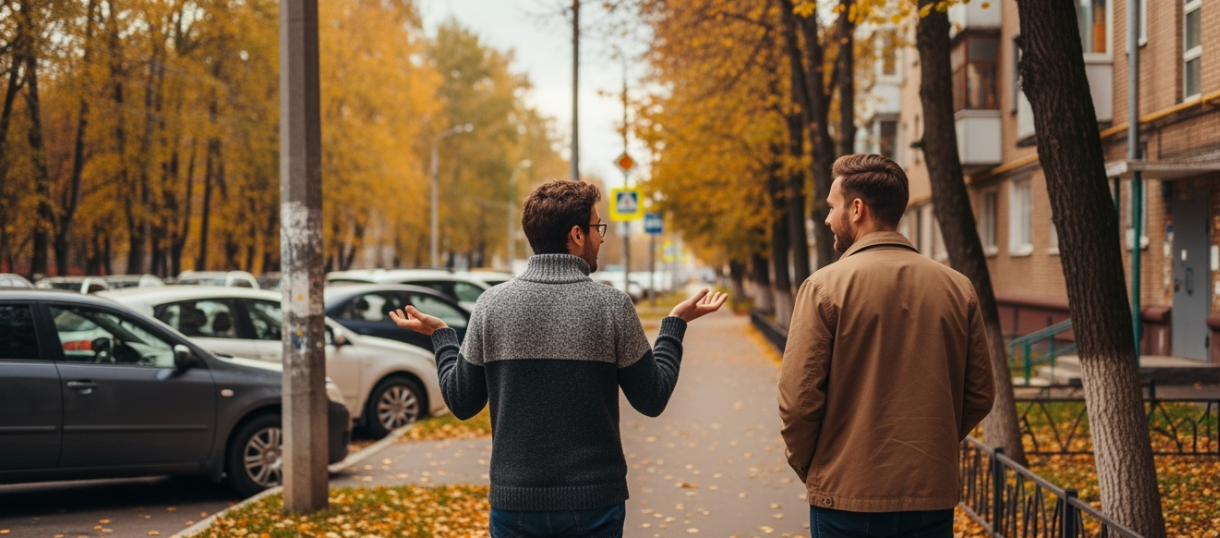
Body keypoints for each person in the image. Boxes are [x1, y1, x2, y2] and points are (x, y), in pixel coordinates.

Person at [391, 179, 727, 538]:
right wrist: (674, 327)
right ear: (577, 234)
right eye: (597, 227)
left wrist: (443, 337)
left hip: (514, 504)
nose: (601, 237)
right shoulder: (612, 306)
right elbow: (652, 398)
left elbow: (461, 402)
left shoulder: (491, 305)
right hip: (595, 503)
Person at [778, 154, 995, 538]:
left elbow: (798, 402)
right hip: (930, 496)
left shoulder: (824, 288)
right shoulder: (958, 288)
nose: (828, 219)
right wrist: (928, 444)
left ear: (857, 209)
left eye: (832, 207)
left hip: (846, 496)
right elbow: (979, 394)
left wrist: (814, 467)